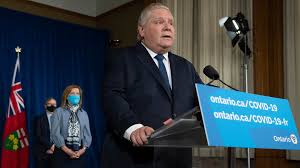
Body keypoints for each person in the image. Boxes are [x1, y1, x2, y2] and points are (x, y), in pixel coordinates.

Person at [101, 3, 203, 168]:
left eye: (171, 23)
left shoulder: (186, 66)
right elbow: (112, 96)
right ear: (141, 31)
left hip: (177, 158)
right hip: (133, 156)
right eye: (159, 22)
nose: (167, 27)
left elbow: (201, 105)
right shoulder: (122, 58)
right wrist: (133, 128)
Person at [51, 85, 92, 168]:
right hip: (62, 150)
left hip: (79, 152)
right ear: (66, 96)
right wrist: (67, 150)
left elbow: (87, 134)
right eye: (72, 93)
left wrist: (82, 150)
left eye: (77, 94)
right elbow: (55, 133)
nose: (75, 95)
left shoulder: (84, 113)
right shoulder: (58, 112)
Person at [35, 97, 57, 168]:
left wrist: (55, 148)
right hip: (43, 153)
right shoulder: (39, 119)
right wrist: (50, 146)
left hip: (57, 153)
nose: (52, 106)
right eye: (50, 104)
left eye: (54, 104)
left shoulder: (60, 119)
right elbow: (38, 136)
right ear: (45, 106)